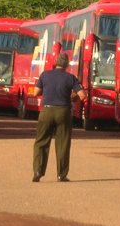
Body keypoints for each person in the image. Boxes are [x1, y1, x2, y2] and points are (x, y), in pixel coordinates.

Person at [31, 53, 86, 183]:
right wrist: (72, 98)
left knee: (41, 141)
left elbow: (36, 92)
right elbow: (82, 95)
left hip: (47, 111)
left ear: (55, 63)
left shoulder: (45, 75)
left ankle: (38, 171)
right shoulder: (70, 77)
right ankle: (61, 175)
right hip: (63, 111)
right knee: (63, 143)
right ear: (66, 65)